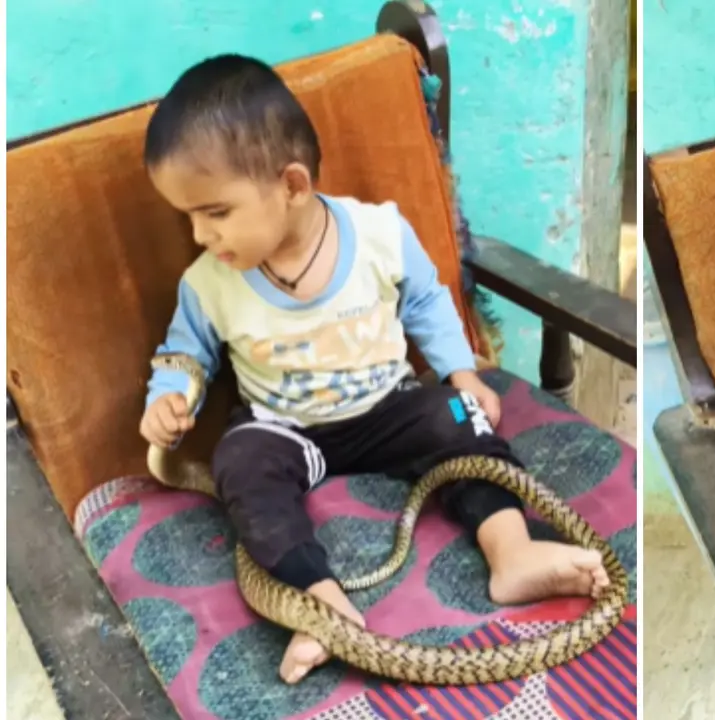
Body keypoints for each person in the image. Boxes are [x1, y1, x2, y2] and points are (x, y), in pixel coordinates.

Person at [137, 54, 609, 684]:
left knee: (459, 419)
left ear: (295, 186)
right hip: (285, 428)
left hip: (389, 408)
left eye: (215, 213)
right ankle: (321, 603)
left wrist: (462, 374)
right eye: (187, 217)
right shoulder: (209, 283)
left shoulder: (379, 232)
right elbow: (184, 353)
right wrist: (171, 399)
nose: (199, 234)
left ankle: (512, 551)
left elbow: (424, 300)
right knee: (240, 464)